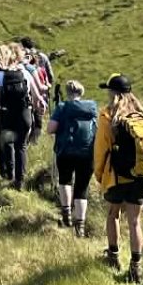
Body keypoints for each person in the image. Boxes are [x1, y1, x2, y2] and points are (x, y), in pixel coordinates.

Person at [95, 75, 143, 282]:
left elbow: (101, 149)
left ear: (114, 93)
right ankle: (136, 267)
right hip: (139, 176)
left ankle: (113, 257)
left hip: (116, 175)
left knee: (113, 214)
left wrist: (99, 174)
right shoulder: (141, 115)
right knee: (134, 221)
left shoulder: (108, 115)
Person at [46, 81, 99, 236]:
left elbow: (50, 129)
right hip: (87, 152)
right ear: (81, 92)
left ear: (67, 92)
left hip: (66, 151)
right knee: (82, 188)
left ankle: (67, 215)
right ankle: (80, 226)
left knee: (65, 180)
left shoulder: (62, 107)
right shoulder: (91, 107)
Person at [0, 43, 41, 190]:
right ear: (19, 56)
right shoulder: (25, 73)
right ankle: (20, 181)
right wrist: (38, 109)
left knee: (9, 145)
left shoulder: (0, 75)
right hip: (25, 115)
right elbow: (36, 96)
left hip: (7, 116)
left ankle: (10, 176)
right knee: (22, 146)